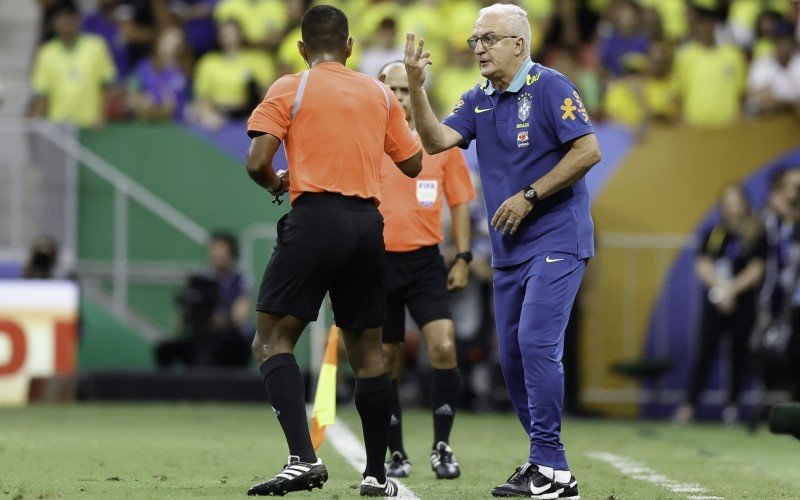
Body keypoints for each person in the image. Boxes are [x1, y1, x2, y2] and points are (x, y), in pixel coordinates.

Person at [404, 3, 601, 498]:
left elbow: (588, 150)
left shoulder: (552, 85)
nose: (480, 48)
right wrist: (418, 88)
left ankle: (550, 466)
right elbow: (434, 141)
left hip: (557, 237)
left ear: (519, 42)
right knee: (511, 358)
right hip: (510, 249)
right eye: (475, 41)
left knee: (535, 343)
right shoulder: (478, 98)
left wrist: (531, 194)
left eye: (489, 38)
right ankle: (548, 466)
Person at [244, 5, 422, 497]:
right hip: (367, 227)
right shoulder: (378, 92)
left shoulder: (290, 86)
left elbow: (257, 161)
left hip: (314, 218)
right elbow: (411, 163)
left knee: (272, 340)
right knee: (368, 355)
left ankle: (303, 458)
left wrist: (276, 182)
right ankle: (376, 476)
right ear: (350, 47)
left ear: (302, 49)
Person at [377, 61, 476, 481]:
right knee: (386, 362)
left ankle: (442, 447)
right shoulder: (366, 142)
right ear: (380, 91)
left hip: (424, 263)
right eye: (393, 89)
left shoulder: (439, 143)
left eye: (406, 89)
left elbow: (459, 202)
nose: (399, 97)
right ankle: (396, 452)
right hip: (376, 265)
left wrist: (463, 257)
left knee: (444, 347)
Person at [672, 184, 767, 425]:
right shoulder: (715, 233)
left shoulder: (755, 233)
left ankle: (733, 408)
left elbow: (757, 268)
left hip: (743, 303)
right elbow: (703, 263)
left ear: (745, 203)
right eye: (727, 201)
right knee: (705, 353)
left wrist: (732, 290)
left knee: (739, 354)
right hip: (716, 302)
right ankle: (689, 406)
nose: (732, 206)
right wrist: (721, 289)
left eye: (736, 201)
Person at [155, 231, 252, 368]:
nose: (217, 253)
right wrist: (185, 318)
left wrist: (221, 321)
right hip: (202, 338)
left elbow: (240, 316)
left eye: (222, 249)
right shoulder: (201, 278)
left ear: (232, 253)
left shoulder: (240, 280)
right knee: (164, 350)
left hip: (230, 340)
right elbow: (189, 309)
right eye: (214, 248)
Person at [29, 3, 116, 128]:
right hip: (58, 125)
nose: (67, 21)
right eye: (62, 17)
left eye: (70, 16)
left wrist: (101, 115)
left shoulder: (97, 46)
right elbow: (43, 93)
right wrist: (37, 121)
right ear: (54, 22)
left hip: (89, 125)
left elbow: (107, 85)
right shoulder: (46, 53)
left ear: (78, 19)